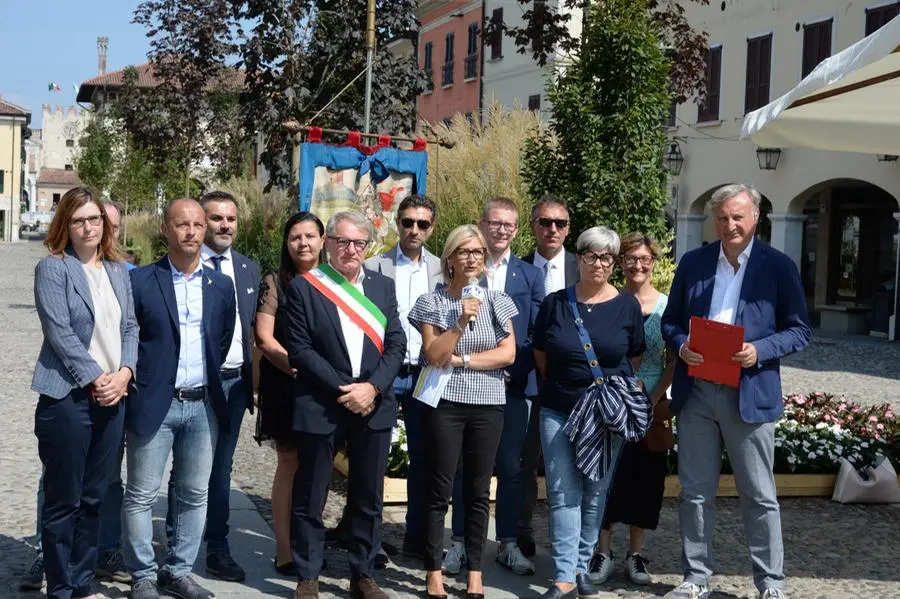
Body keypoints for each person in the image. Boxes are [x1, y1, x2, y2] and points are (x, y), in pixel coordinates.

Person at [661, 184, 811, 599]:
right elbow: (671, 321)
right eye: (723, 217)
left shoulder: (778, 266)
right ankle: (695, 578)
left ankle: (770, 583)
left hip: (748, 392)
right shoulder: (694, 263)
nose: (730, 225)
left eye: (738, 217)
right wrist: (681, 346)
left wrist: (759, 350)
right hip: (698, 391)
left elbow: (800, 330)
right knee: (694, 492)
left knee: (759, 494)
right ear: (715, 220)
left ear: (755, 218)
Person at [284, 211, 406, 599]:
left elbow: (397, 343)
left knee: (368, 497)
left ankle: (363, 574)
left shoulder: (383, 287)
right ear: (328, 244)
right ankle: (308, 575)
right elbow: (300, 349)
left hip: (373, 405)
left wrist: (372, 388)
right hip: (323, 404)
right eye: (341, 242)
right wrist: (346, 388)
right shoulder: (306, 288)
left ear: (367, 247)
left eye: (358, 243)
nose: (350, 250)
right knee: (312, 494)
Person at [123, 198, 236, 599]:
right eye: (182, 225)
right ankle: (142, 575)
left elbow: (219, 343)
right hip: (156, 402)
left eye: (197, 225)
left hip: (203, 405)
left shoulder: (221, 286)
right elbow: (130, 339)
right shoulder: (140, 281)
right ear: (165, 230)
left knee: (194, 493)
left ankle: (179, 571)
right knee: (140, 494)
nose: (191, 232)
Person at [21, 198, 135, 593]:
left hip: (112, 399)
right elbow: (60, 333)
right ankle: (60, 588)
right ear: (65, 226)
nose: (89, 227)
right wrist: (98, 378)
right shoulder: (53, 269)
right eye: (79, 220)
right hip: (67, 399)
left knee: (93, 499)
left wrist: (125, 374)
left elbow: (131, 328)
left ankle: (83, 583)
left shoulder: (119, 271)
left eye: (94, 219)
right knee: (63, 501)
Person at [532, 226, 645, 599]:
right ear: (577, 258)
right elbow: (542, 354)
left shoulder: (627, 306)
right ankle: (564, 575)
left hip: (605, 415)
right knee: (564, 491)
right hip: (560, 409)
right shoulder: (556, 304)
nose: (599, 264)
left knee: (595, 493)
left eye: (607, 257)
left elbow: (633, 357)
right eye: (592, 256)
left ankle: (581, 567)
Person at [408, 224, 518, 599]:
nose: (471, 258)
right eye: (463, 251)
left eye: (477, 252)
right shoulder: (432, 302)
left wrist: (465, 359)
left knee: (477, 490)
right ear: (450, 258)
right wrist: (459, 321)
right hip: (446, 404)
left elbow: (508, 354)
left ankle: (475, 570)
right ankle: (434, 570)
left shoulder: (499, 301)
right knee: (439, 488)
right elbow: (434, 356)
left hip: (489, 405)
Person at [441, 198, 543, 576]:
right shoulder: (466, 268)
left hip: (514, 386)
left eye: (509, 225)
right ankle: (460, 545)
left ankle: (508, 542)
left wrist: (508, 363)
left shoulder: (530, 275)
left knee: (511, 467)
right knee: (465, 468)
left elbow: (533, 333)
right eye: (495, 223)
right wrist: (482, 360)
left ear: (517, 230)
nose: (502, 230)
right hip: (466, 385)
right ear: (482, 224)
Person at [164, 190, 260, 582]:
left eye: (230, 219)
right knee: (184, 470)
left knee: (220, 468)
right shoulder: (183, 265)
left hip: (234, 383)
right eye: (215, 218)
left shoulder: (249, 269)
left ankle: (216, 547)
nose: (224, 225)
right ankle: (176, 545)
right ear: (201, 224)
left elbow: (255, 329)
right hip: (193, 381)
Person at [591, 232, 675, 586]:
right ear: (619, 262)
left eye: (645, 259)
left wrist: (653, 399)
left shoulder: (668, 307)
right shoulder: (608, 301)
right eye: (630, 258)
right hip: (611, 401)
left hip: (651, 404)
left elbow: (674, 361)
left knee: (645, 478)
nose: (638, 265)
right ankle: (602, 550)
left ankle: (636, 553)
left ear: (654, 262)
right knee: (606, 478)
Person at [364, 195, 443, 562]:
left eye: (422, 224)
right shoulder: (374, 267)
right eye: (408, 222)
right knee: (373, 460)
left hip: (427, 375)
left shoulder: (443, 271)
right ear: (397, 223)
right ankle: (371, 540)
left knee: (425, 460)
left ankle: (416, 538)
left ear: (432, 228)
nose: (414, 230)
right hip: (386, 372)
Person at [255, 211, 326, 575]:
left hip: (324, 388)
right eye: (296, 237)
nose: (303, 243)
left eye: (310, 236)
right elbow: (264, 338)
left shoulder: (334, 282)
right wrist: (299, 365)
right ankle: (284, 549)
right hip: (287, 382)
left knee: (317, 468)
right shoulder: (275, 282)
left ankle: (309, 546)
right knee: (289, 463)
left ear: (322, 240)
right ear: (287, 242)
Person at [519, 194, 579, 558]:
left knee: (572, 463)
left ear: (568, 228)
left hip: (573, 384)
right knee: (524, 461)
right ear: (533, 226)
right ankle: (522, 530)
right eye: (545, 222)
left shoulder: (584, 266)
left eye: (559, 223)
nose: (552, 229)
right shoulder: (519, 269)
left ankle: (570, 544)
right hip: (528, 380)